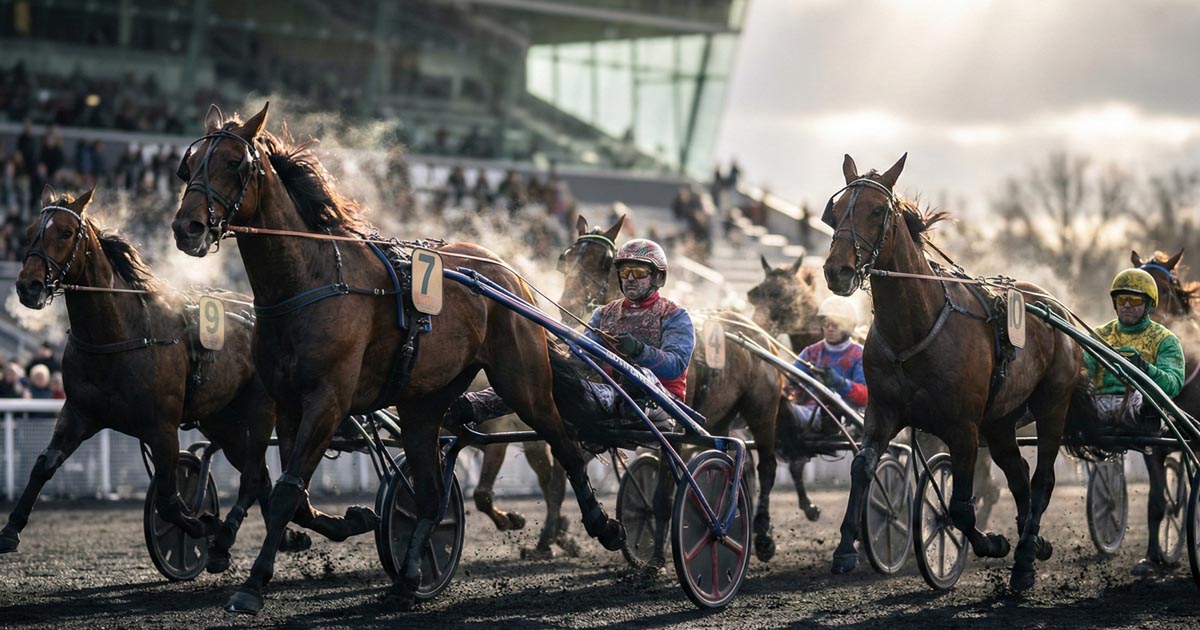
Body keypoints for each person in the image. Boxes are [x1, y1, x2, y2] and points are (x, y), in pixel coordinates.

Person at [445, 239, 694, 435]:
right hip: (608, 395)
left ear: (658, 277)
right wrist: (553, 348)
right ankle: (472, 406)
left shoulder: (675, 315)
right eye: (625, 272)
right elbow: (580, 358)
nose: (630, 279)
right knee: (538, 380)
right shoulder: (604, 313)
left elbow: (675, 366)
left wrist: (639, 351)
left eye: (638, 272)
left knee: (641, 375)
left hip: (661, 401)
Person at [1083, 269, 1184, 433]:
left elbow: (1173, 385)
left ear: (1149, 305)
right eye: (1122, 300)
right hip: (1096, 405)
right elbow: (1082, 372)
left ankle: (1148, 419)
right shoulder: (1099, 335)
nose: (1127, 305)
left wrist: (1144, 368)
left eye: (1135, 300)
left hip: (1139, 407)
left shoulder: (1166, 339)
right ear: (1115, 303)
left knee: (1149, 398)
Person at [786, 296, 868, 433]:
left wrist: (840, 383)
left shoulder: (859, 354)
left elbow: (865, 396)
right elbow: (789, 381)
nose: (829, 329)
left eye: (835, 324)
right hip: (808, 411)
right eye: (826, 323)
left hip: (845, 418)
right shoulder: (811, 352)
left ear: (849, 326)